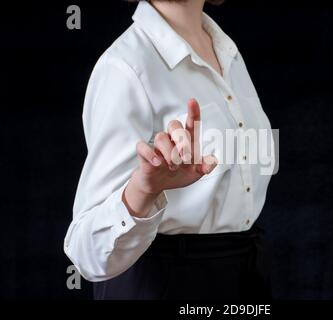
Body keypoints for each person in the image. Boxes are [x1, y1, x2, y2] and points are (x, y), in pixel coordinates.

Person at [64, 0, 274, 300]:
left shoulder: (228, 52)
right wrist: (144, 189)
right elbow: (87, 254)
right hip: (162, 282)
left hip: (243, 275)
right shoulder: (125, 66)